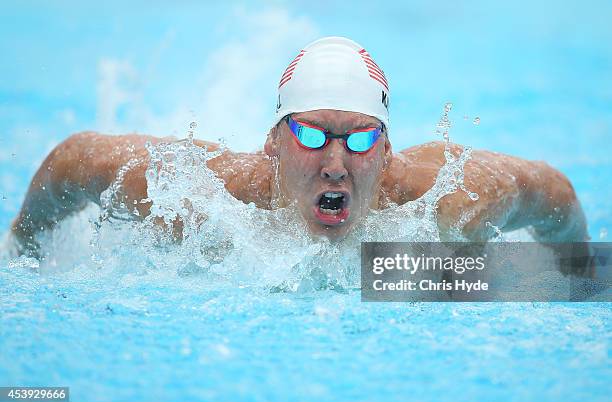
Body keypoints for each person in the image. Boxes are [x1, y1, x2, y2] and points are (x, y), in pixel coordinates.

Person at [10, 37, 588, 257]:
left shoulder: (450, 202)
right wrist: (20, 246)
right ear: (271, 144)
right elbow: (76, 160)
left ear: (388, 152)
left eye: (360, 139)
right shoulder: (198, 201)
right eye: (310, 135)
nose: (335, 165)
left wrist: (580, 272)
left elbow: (553, 191)